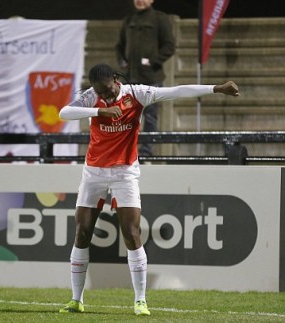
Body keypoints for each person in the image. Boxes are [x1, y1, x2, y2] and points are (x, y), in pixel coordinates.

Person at [58, 63, 239, 315]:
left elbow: (175, 91)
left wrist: (215, 88)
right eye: (102, 93)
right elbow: (63, 113)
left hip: (125, 173)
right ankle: (76, 300)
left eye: (109, 90)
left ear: (116, 80)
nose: (107, 96)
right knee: (82, 232)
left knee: (131, 233)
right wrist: (99, 112)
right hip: (94, 173)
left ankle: (140, 300)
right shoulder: (92, 96)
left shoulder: (137, 93)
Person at [116, 0, 176, 157]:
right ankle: (126, 151)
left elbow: (169, 46)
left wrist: (153, 62)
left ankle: (146, 153)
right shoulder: (129, 19)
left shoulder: (159, 18)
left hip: (151, 78)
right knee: (126, 116)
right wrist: (122, 61)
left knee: (150, 117)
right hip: (130, 79)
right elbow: (119, 46)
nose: (140, 1)